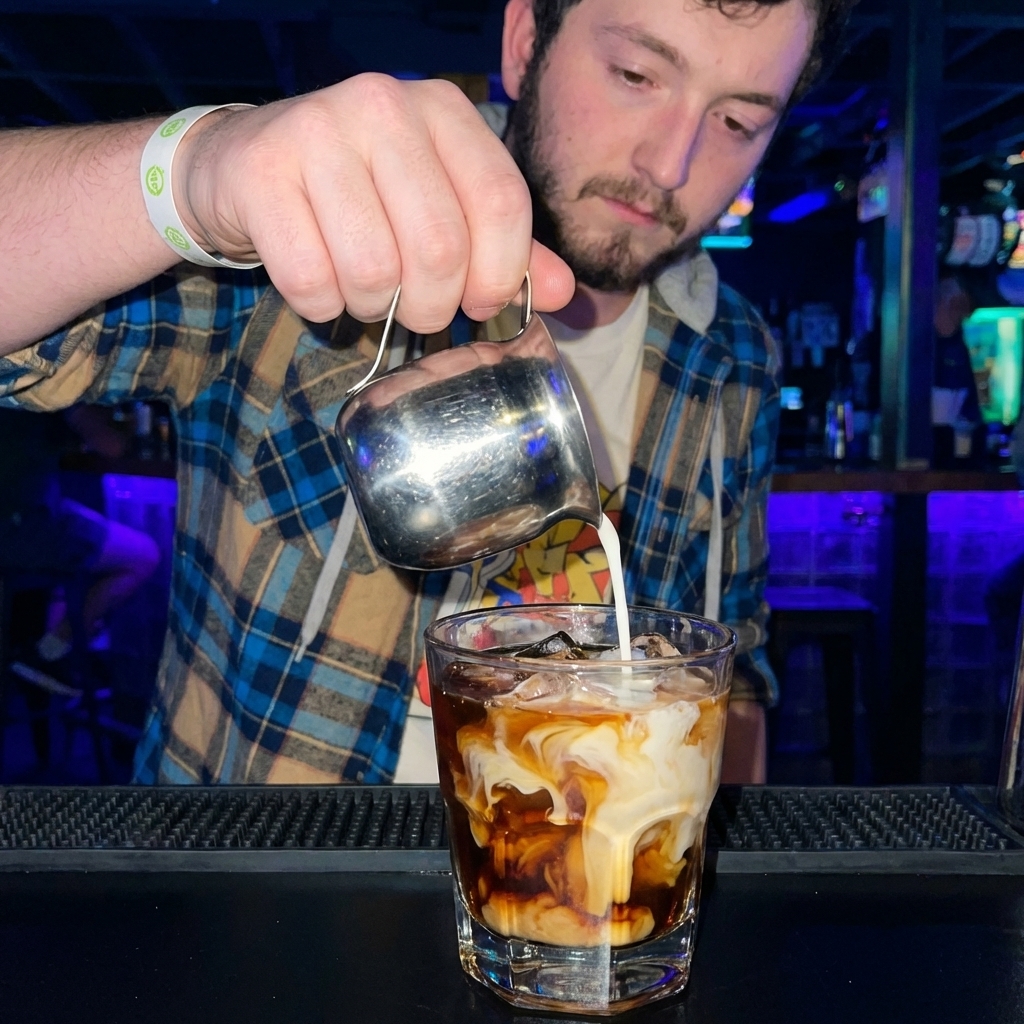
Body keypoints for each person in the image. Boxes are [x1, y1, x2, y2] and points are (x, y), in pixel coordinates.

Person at [0, 0, 854, 785]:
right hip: (266, 900)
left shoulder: (734, 355)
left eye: (738, 120)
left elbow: (731, 672)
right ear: (527, 44)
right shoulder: (305, 237)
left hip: (565, 908)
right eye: (636, 75)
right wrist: (193, 173)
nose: (671, 162)